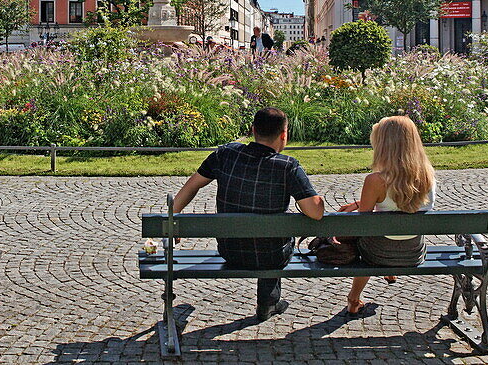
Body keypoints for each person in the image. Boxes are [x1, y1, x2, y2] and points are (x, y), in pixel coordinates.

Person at [172, 107, 324, 321]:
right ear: (284, 134)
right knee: (275, 240)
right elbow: (315, 213)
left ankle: (270, 301)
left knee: (269, 236)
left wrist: (173, 218)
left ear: (253, 130)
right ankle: (268, 302)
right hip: (271, 256)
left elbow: (192, 185)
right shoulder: (287, 166)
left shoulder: (225, 154)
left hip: (231, 250)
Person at [337, 116, 436, 315]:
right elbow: (404, 205)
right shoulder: (428, 176)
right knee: (389, 229)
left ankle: (353, 298)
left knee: (368, 239)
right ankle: (389, 273)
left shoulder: (375, 180)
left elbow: (364, 223)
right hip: (413, 252)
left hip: (378, 253)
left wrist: (358, 206)